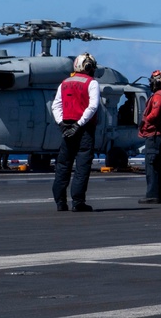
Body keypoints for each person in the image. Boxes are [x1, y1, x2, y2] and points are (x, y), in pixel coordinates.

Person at [51, 52, 100, 212]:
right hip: (84, 130)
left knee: (63, 165)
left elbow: (55, 106)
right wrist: (78, 125)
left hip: (66, 129)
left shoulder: (64, 83)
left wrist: (62, 124)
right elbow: (93, 106)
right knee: (82, 166)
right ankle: (78, 202)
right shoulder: (91, 83)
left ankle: (60, 202)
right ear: (88, 67)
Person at [139, 70, 161, 204]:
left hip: (154, 134)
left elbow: (155, 113)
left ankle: (152, 194)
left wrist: (145, 121)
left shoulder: (158, 96)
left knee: (151, 166)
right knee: (159, 166)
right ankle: (159, 195)